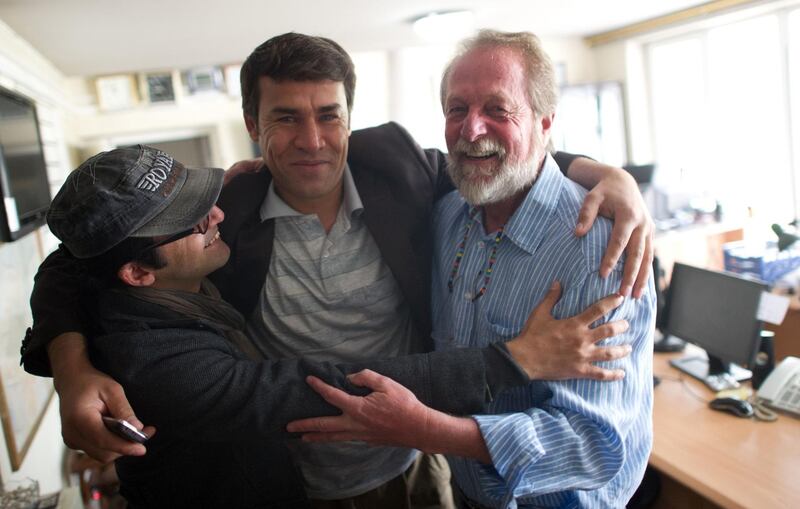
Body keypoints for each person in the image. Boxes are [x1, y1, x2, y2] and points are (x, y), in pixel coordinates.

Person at [21, 32, 652, 507]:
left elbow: (495, 153)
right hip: (293, 481)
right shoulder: (223, 216)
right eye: (286, 118)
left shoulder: (400, 169)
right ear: (252, 126)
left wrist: (605, 173)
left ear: (350, 117)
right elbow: (82, 263)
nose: (313, 139)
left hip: (419, 466)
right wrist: (72, 366)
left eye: (328, 114)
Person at [287, 30, 655, 508]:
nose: (471, 129)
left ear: (545, 123)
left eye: (498, 110)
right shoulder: (446, 215)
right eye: (457, 109)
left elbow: (594, 447)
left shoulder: (596, 249)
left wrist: (427, 430)